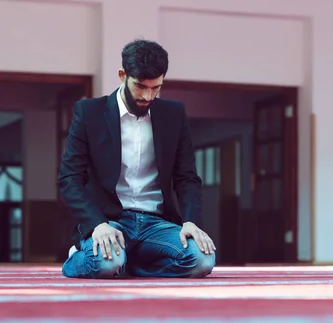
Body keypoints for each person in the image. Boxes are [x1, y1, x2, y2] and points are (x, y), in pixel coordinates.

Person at [58, 39, 216, 279]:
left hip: (156, 223)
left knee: (202, 261)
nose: (148, 95)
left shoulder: (173, 115)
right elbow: (70, 178)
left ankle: (130, 266)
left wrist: (191, 221)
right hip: (109, 220)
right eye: (140, 86)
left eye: (156, 87)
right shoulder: (89, 112)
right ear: (123, 75)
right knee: (105, 264)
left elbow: (187, 177)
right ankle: (79, 258)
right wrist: (96, 224)